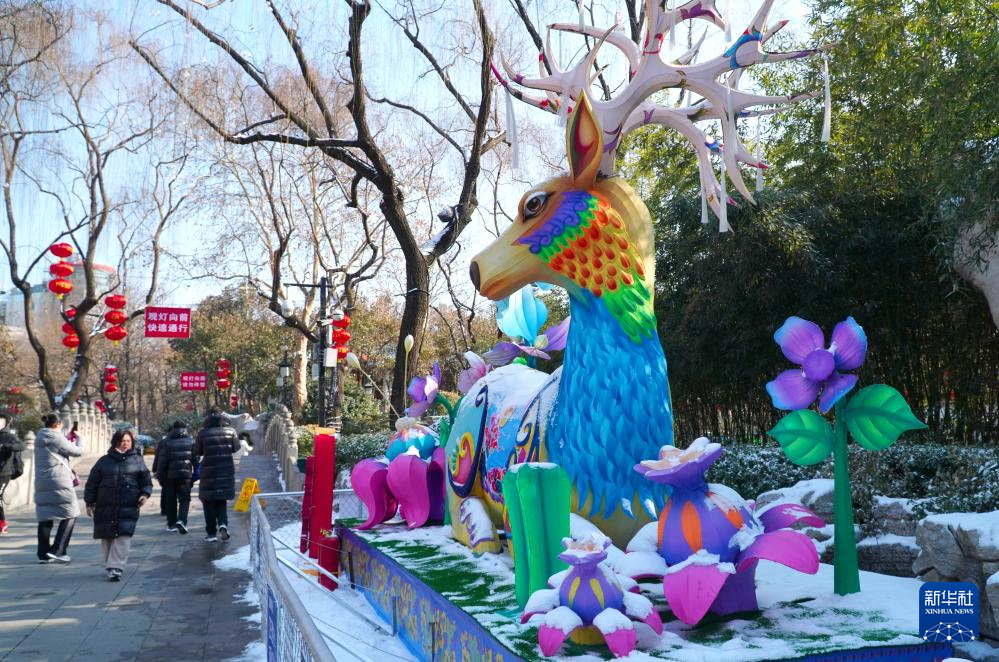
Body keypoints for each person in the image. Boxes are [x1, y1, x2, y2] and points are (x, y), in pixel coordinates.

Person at [84, 429, 152, 581]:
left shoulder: (137, 461)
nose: (125, 444)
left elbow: (146, 481)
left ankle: (116, 566)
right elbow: (92, 484)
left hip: (128, 504)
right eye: (122, 441)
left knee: (123, 535)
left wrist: (144, 494)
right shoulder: (104, 461)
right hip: (105, 504)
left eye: (128, 441)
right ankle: (110, 565)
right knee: (107, 536)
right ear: (116, 442)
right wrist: (89, 503)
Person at [34, 413, 84, 563]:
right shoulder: (56, 437)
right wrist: (80, 439)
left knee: (45, 517)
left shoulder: (39, 437)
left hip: (42, 482)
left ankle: (43, 554)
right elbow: (78, 451)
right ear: (58, 424)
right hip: (59, 481)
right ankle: (58, 550)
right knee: (71, 513)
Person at [193, 409, 239, 542]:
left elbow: (197, 451)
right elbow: (236, 448)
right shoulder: (231, 431)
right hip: (226, 469)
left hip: (208, 471)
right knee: (221, 500)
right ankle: (223, 524)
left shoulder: (203, 433)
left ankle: (211, 533)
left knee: (208, 501)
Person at [156, 420, 196, 534]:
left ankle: (171, 524)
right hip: (186, 476)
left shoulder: (166, 442)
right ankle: (182, 520)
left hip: (170, 476)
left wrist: (160, 477)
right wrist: (194, 476)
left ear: (173, 429)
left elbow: (162, 462)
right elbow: (195, 460)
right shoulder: (191, 442)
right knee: (185, 499)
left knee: (171, 500)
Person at [0, 413, 26, 534]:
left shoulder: (10, 436)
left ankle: (2, 523)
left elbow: (22, 445)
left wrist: (6, 446)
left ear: (5, 423)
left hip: (4, 472)